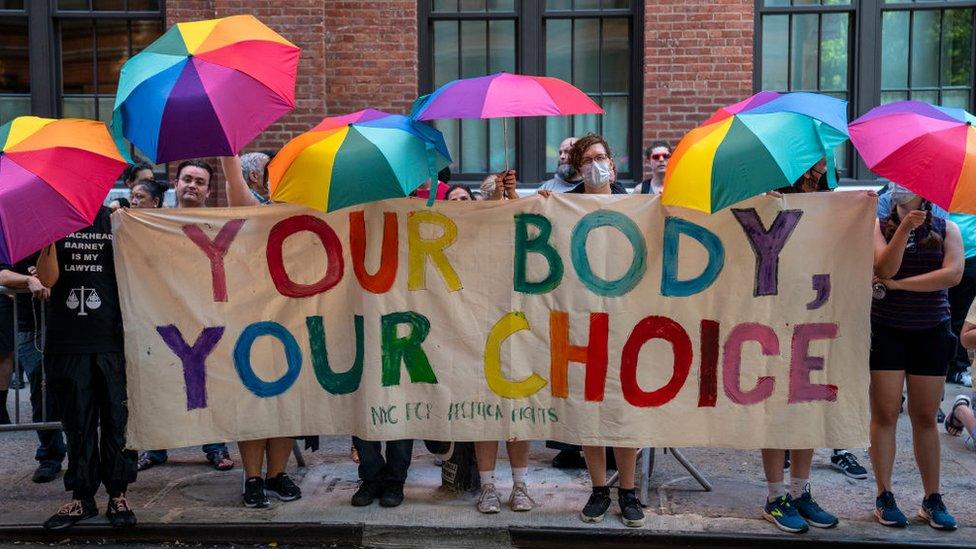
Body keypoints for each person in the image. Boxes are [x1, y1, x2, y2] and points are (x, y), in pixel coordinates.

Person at [539, 133, 641, 527]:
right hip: (581, 319)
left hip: (627, 319)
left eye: (602, 157)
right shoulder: (564, 205)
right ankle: (599, 489)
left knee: (626, 407)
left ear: (612, 164)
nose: (596, 164)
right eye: (588, 160)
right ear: (578, 168)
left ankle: (628, 492)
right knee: (590, 408)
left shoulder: (636, 204)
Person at [37, 207, 138, 530]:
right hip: (67, 341)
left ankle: (118, 494)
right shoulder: (50, 222)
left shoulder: (114, 219)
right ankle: (81, 497)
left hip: (112, 338)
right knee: (77, 423)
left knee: (116, 421)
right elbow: (47, 279)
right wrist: (49, 235)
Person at [211, 154, 304, 508]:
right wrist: (227, 147)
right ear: (258, 179)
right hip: (250, 319)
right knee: (253, 399)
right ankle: (252, 478)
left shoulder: (301, 209)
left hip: (294, 318)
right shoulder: (253, 206)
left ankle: (277, 475)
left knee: (287, 401)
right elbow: (235, 187)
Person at [871, 183, 962, 531]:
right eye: (894, 186)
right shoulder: (878, 227)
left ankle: (932, 498)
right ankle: (884, 495)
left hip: (931, 330)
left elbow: (951, 275)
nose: (900, 190)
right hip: (887, 329)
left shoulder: (946, 228)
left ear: (925, 194)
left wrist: (903, 286)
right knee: (885, 412)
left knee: (925, 417)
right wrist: (904, 227)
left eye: (908, 187)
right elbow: (885, 268)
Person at [760, 160, 844, 534]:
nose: (820, 164)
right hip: (773, 313)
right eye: (813, 157)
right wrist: (766, 204)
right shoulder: (772, 195)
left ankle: (800, 491)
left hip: (816, 313)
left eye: (824, 157)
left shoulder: (831, 200)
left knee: (808, 402)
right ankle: (775, 495)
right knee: (777, 404)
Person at [137, 160, 234, 473]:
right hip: (161, 312)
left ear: (208, 190)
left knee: (210, 382)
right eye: (187, 179)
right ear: (176, 184)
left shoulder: (216, 222)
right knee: (160, 379)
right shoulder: (153, 221)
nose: (192, 185)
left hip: (205, 312)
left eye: (200, 182)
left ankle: (215, 446)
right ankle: (155, 447)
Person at [0, 254, 66, 483]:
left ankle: (81, 455)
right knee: (41, 386)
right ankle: (50, 454)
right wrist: (28, 280)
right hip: (30, 327)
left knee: (74, 386)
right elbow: (2, 273)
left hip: (69, 320)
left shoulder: (61, 232)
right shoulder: (11, 236)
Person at [946, 213, 976, 387]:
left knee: (963, 316)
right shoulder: (939, 194)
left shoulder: (970, 193)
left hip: (971, 257)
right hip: (943, 258)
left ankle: (959, 367)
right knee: (942, 315)